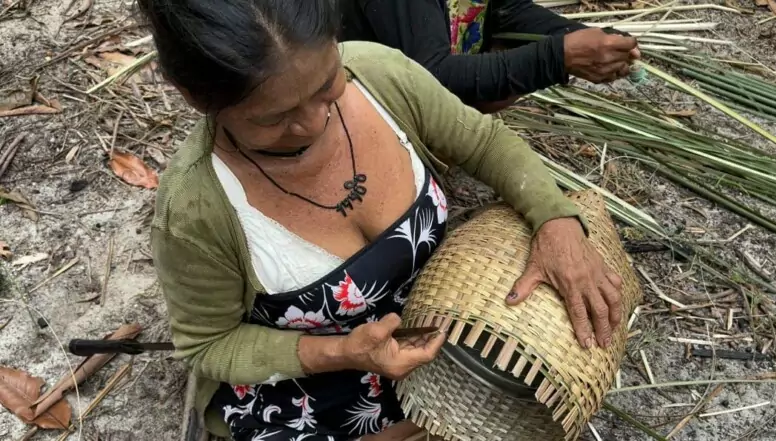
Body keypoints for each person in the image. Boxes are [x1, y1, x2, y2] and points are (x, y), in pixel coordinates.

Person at [139, 0, 623, 440]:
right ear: (195, 96)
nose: (312, 122)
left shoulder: (378, 75)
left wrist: (555, 220)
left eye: (328, 85)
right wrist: (343, 352)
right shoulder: (196, 208)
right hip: (312, 384)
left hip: (445, 334)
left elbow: (483, 143)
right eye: (275, 118)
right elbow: (209, 346)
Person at [338, 0, 641, 113]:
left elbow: (509, 10)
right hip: (376, 113)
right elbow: (430, 77)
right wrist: (556, 58)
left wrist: (588, 37)